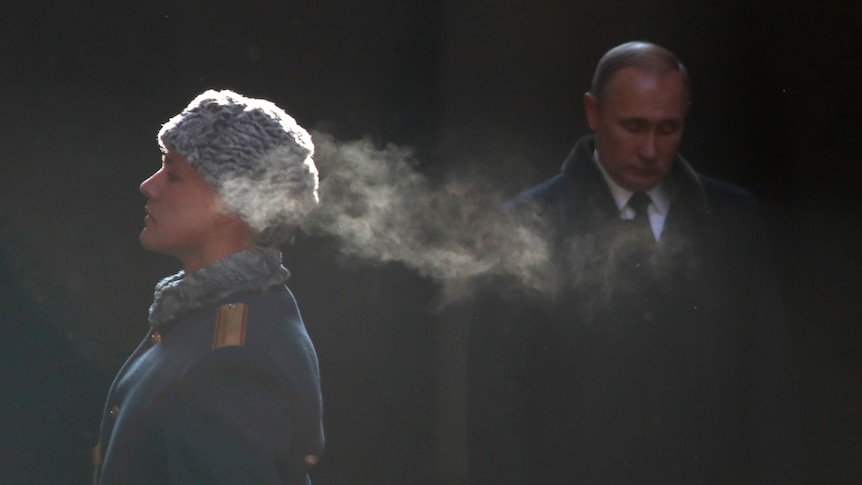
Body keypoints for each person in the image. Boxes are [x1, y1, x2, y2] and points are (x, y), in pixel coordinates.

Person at [467, 42, 794, 484]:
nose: (650, 149)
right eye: (633, 126)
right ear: (593, 112)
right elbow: (496, 409)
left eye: (668, 128)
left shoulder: (734, 221)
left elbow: (768, 391)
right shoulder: (527, 226)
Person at [93, 90, 324, 484]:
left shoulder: (232, 359)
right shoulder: (210, 318)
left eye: (174, 173)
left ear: (233, 204)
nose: (150, 185)